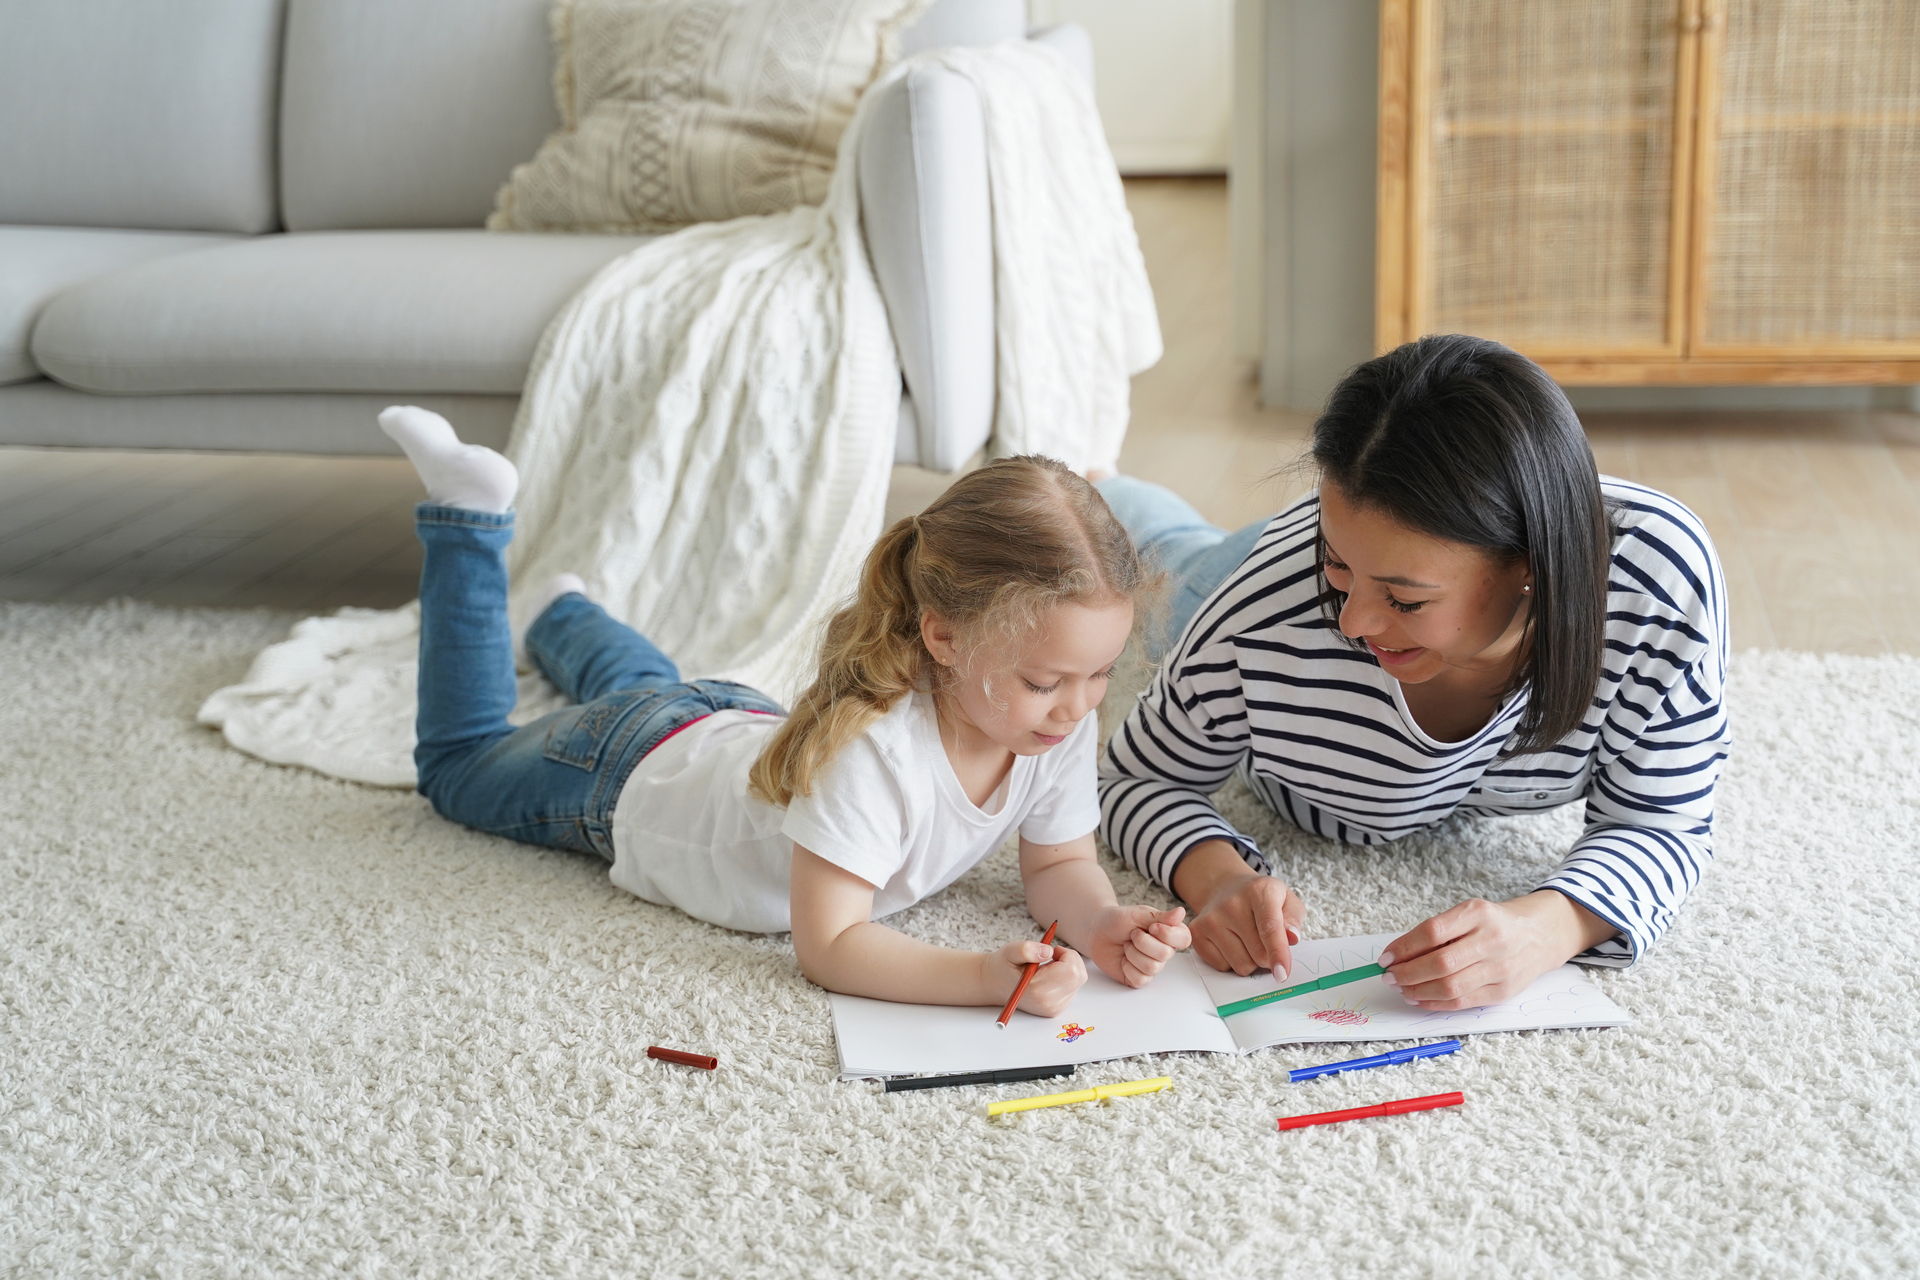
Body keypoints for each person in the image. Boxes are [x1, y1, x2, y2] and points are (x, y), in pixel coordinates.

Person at [377, 405, 1190, 1017]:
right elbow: (830, 945)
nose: (1077, 707)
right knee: (458, 764)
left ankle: (561, 615)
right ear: (942, 637)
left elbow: (1055, 867)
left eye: (1100, 675)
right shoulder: (873, 753)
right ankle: (468, 521)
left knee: (650, 690)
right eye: (1048, 682)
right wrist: (981, 977)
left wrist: (1101, 921)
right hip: (623, 775)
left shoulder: (1051, 718)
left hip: (718, 719)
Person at [1096, 334, 1730, 1010]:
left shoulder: (1657, 588)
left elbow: (1663, 823)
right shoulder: (1261, 616)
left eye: (1405, 598)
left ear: (1531, 568)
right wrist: (1217, 879)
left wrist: (1548, 928)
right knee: (1152, 562)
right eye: (1336, 566)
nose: (1353, 623)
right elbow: (1130, 778)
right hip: (1235, 573)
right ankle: (1098, 483)